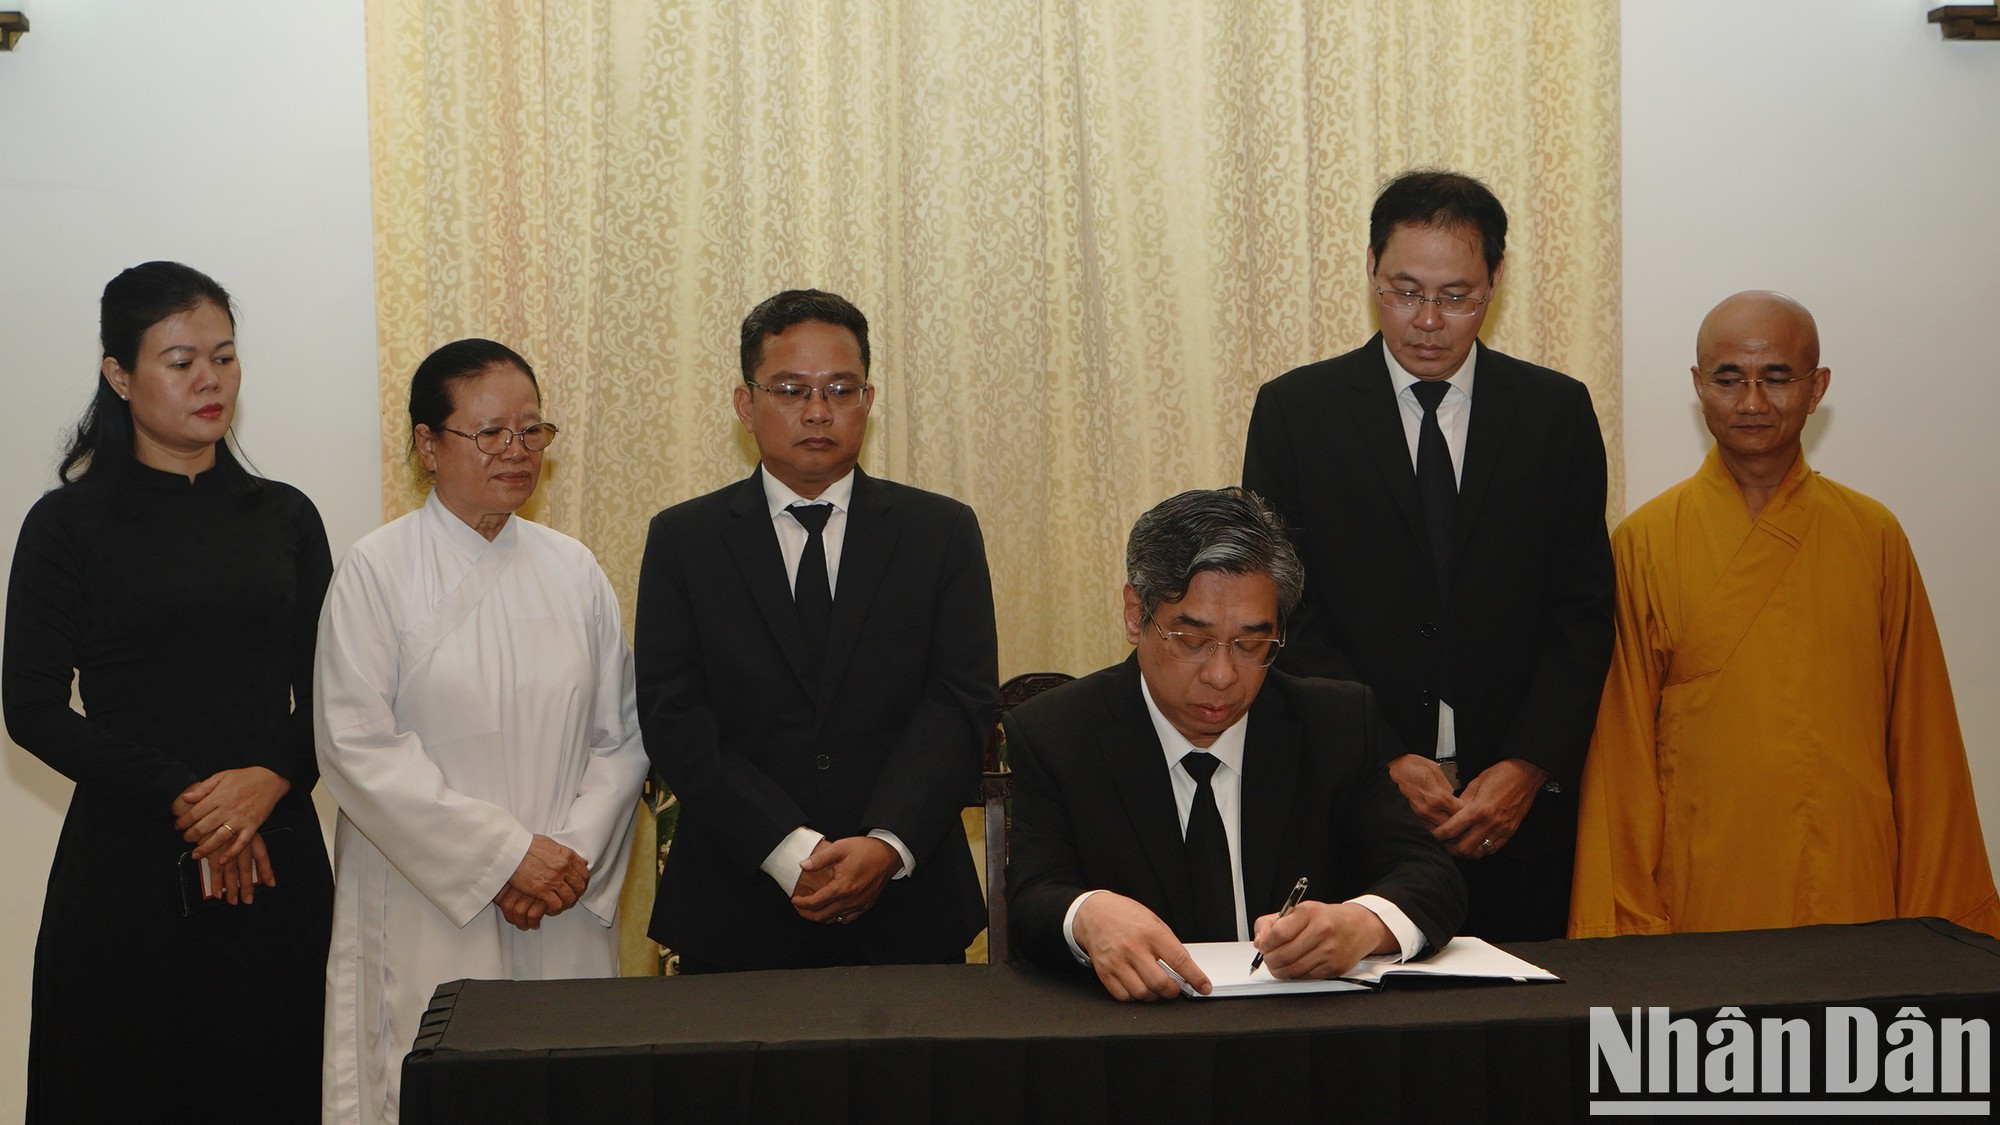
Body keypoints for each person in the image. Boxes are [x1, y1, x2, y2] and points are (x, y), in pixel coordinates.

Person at [1242, 169, 1613, 941]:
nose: (1430, 321)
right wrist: (1381, 750)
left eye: (1457, 295)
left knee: (1522, 1032)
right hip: (1353, 796)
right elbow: (1282, 607)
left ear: (1496, 282)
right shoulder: (1296, 413)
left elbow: (1580, 611)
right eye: (1405, 291)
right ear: (1372, 268)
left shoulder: (1555, 414)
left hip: (1515, 809)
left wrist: (1528, 765)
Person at [2, 261, 335, 1119]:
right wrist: (186, 797)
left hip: (277, 855)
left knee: (275, 1077)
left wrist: (269, 780)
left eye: (224, 357)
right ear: (120, 374)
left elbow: (337, 692)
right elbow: (31, 705)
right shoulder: (66, 524)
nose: (210, 379)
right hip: (128, 865)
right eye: (181, 360)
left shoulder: (286, 516)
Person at [1569, 291, 2000, 939]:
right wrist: (1625, 919)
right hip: (1705, 885)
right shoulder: (1646, 542)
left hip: (1856, 881)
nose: (1751, 402)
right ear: (1698, 386)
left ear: (1816, 387)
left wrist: (1939, 923)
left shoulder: (1873, 535)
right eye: (1728, 378)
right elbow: (1620, 756)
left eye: (1776, 378)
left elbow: (1923, 740)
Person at [315, 339, 649, 1123]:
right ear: (428, 444)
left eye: (532, 432)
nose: (517, 452)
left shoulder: (574, 568)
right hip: (431, 894)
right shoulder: (376, 569)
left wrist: (567, 858)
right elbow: (357, 744)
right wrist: (503, 859)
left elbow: (622, 735)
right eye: (490, 432)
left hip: (561, 896)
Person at [636, 289, 997, 972]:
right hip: (737, 900)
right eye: (791, 389)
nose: (817, 411)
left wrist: (886, 842)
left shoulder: (940, 532)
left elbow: (960, 700)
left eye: (840, 388)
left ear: (868, 398)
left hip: (907, 903)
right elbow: (673, 712)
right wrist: (787, 848)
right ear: (746, 404)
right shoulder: (685, 539)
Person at [1005, 488, 1465, 1001]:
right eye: (1193, 641)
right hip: (1137, 1040)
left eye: (1251, 645)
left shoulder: (1334, 723)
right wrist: (1087, 913)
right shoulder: (1056, 732)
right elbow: (1032, 896)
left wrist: (1362, 924)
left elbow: (1429, 875)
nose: (1223, 676)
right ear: (1136, 614)